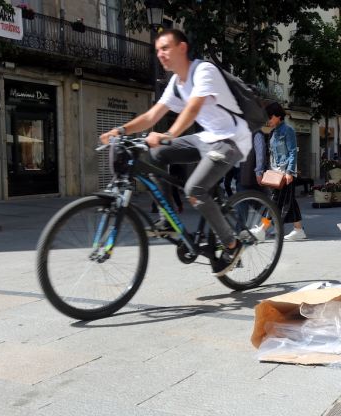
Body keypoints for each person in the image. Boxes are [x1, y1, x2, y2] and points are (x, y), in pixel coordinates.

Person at [99, 29, 251, 276]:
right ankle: (168, 219)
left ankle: (232, 244)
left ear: (182, 48)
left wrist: (168, 135)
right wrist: (120, 130)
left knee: (195, 189)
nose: (160, 54)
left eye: (165, 48)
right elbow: (151, 116)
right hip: (205, 138)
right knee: (158, 155)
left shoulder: (204, 71)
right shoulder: (176, 83)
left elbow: (192, 109)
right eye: (157, 50)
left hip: (231, 139)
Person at [256, 101, 306, 241]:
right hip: (276, 173)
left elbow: (292, 152)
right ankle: (299, 229)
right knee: (289, 202)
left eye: (270, 117)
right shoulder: (272, 133)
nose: (268, 120)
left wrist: (290, 171)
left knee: (275, 202)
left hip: (285, 174)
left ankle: (262, 229)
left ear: (278, 116)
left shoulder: (288, 130)